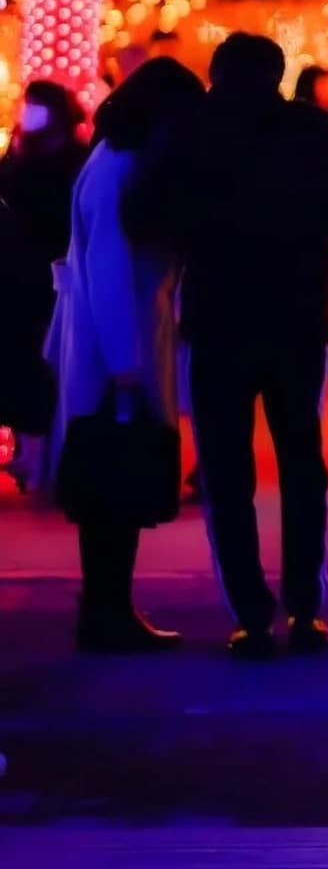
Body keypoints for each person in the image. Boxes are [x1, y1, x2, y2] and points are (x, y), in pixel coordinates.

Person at [179, 33, 328, 658]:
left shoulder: (194, 131)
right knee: (301, 465)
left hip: (216, 318)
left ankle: (250, 615)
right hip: (295, 315)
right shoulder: (312, 131)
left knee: (226, 472)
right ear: (279, 74)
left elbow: (149, 213)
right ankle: (305, 609)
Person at [44, 59, 205, 652]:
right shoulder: (123, 169)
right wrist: (126, 365)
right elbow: (111, 269)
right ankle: (108, 609)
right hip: (120, 348)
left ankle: (108, 606)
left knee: (109, 487)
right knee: (117, 482)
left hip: (113, 341)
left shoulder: (110, 157)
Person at [0, 81, 87, 486]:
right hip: (14, 276)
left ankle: (40, 455)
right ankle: (25, 450)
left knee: (42, 366)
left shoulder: (70, 159)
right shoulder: (18, 152)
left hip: (50, 278)